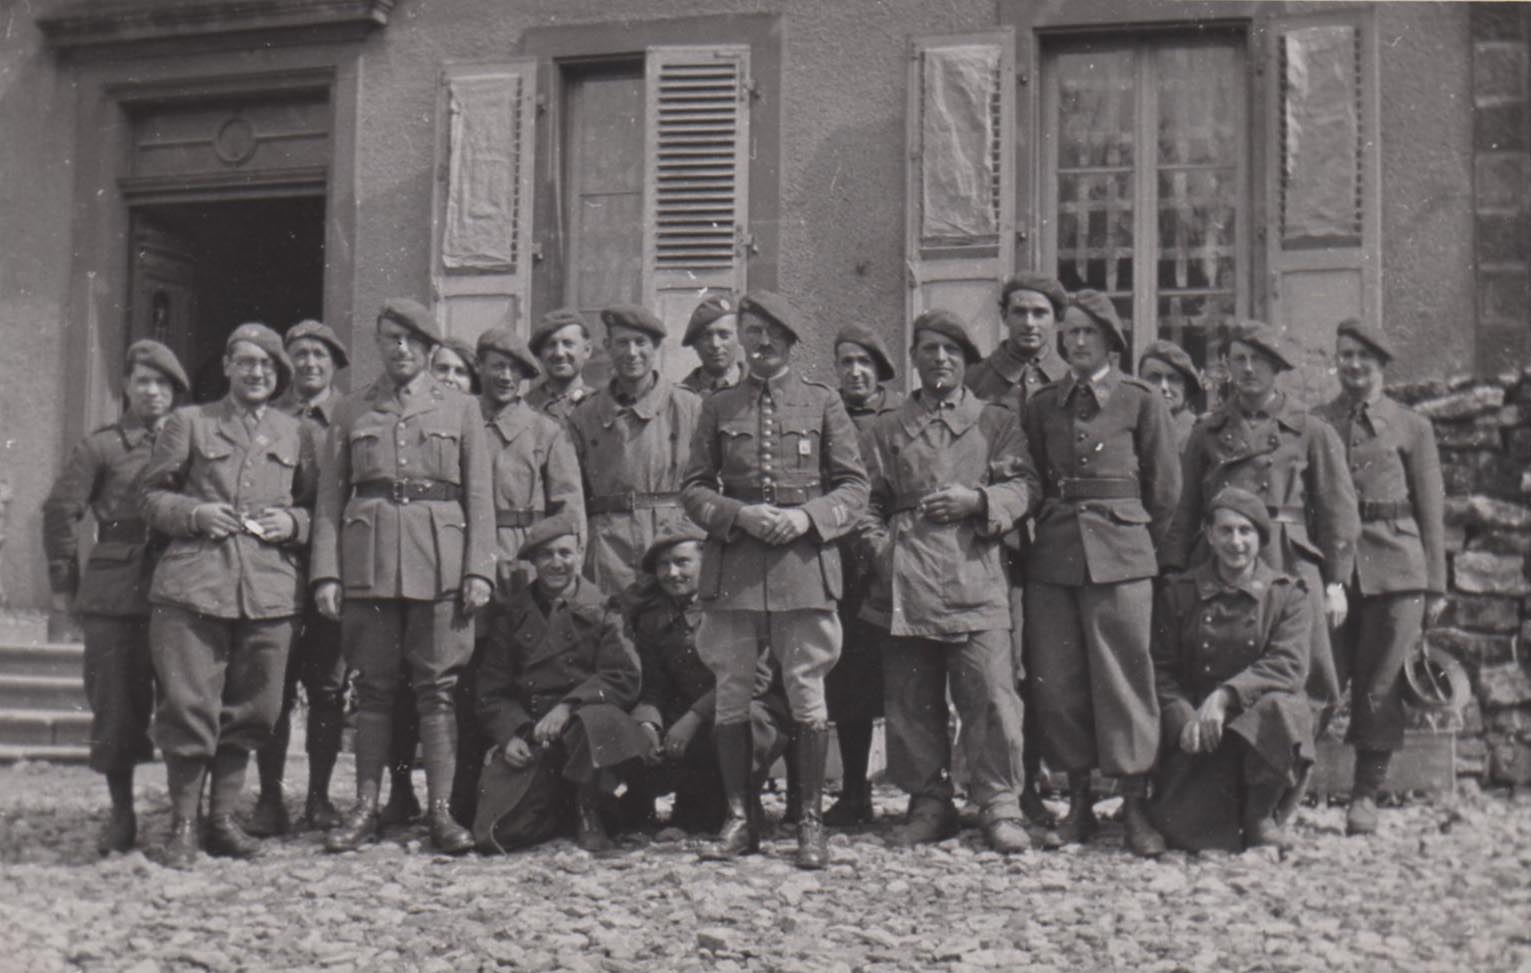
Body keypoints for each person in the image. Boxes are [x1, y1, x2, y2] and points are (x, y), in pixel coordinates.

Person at [681, 289, 869, 870]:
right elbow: (692, 487)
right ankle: (742, 818)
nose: (760, 343)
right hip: (734, 570)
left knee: (808, 693)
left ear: (790, 341)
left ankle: (809, 820)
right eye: (751, 332)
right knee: (733, 692)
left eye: (772, 334)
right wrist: (737, 515)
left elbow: (855, 488)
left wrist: (805, 518)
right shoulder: (717, 407)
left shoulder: (822, 404)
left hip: (802, 569)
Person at [311, 298, 495, 856]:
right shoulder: (350, 410)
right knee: (372, 690)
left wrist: (478, 570)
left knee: (437, 691)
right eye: (391, 338)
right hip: (368, 564)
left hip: (440, 562)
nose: (401, 349)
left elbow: (480, 496)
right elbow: (328, 500)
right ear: (378, 343)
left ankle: (439, 813)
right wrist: (326, 573)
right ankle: (366, 808)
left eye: (412, 340)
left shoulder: (461, 408)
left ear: (431, 348)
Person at [860, 311, 1040, 853]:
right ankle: (928, 802)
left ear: (966, 363)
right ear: (914, 358)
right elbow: (864, 502)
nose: (941, 359)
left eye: (953, 352)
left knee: (989, 694)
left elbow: (1026, 486)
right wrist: (884, 551)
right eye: (931, 349)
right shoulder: (886, 429)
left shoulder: (996, 422)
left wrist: (980, 500)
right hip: (906, 581)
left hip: (975, 572)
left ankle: (999, 804)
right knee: (911, 698)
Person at [140, 323, 317, 868]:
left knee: (257, 711)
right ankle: (185, 823)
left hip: (268, 592)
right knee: (191, 707)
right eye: (245, 362)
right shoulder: (189, 423)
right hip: (194, 584)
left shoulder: (297, 433)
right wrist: (193, 513)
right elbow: (148, 495)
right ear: (226, 367)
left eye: (266, 365)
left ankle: (223, 818)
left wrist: (293, 522)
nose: (256, 372)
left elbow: (317, 509)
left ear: (278, 373)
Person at [1021, 290, 1180, 858]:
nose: (1076, 342)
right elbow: (1035, 476)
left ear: (1111, 340)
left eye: (1088, 332)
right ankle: (1079, 802)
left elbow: (1165, 492)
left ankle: (1135, 804)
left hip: (1123, 556)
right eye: (1069, 333)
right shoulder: (1043, 405)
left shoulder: (1140, 401)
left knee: (1124, 679)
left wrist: (1134, 546)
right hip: (1057, 559)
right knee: (1059, 684)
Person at [1166, 321, 1359, 745]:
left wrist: (1336, 582)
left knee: (1311, 667)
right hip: (1221, 557)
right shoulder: (1207, 431)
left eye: (1259, 361)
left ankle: (1290, 769)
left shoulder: (1312, 430)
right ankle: (1229, 768)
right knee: (1218, 661)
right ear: (1226, 366)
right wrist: (1175, 571)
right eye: (1239, 359)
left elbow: (1337, 509)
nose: (1249, 369)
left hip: (1289, 556)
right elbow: (1186, 511)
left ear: (1276, 368)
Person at [42, 339, 189, 855]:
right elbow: (61, 511)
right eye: (143, 381)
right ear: (126, 386)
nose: (152, 392)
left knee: (184, 702)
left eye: (163, 383)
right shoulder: (102, 446)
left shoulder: (187, 439)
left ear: (177, 393)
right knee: (115, 706)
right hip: (115, 594)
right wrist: (66, 589)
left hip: (180, 585)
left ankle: (182, 817)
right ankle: (122, 814)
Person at [1313, 318, 1446, 836]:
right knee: (1321, 675)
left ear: (1382, 365)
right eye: (1345, 355)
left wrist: (1435, 585)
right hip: (1336, 570)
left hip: (1398, 568)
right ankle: (1285, 785)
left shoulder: (1412, 426)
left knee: (1381, 685)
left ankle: (1364, 795)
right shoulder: (1318, 421)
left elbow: (1431, 510)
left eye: (1364, 357)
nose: (1353, 365)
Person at [449, 326, 585, 826]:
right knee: (467, 682)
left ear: (527, 377)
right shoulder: (458, 422)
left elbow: (569, 511)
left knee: (527, 679)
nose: (504, 376)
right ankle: (461, 803)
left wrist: (565, 579)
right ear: (479, 368)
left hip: (524, 566)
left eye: (515, 369)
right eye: (494, 365)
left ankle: (535, 800)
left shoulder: (545, 432)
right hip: (464, 563)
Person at [1149, 487, 1314, 852]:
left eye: (1246, 531)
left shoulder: (1287, 594)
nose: (1235, 542)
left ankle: (1261, 815)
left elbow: (1288, 665)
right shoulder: (1179, 593)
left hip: (1259, 733)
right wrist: (1183, 718)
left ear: (1260, 537)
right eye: (1225, 531)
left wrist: (1225, 697)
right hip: (1200, 729)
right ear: (1209, 534)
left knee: (1283, 708)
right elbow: (1160, 668)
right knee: (1186, 832)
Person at [473, 514, 649, 854]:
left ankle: (589, 810)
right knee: (500, 834)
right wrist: (509, 733)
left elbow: (623, 675)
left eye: (566, 554)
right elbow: (492, 688)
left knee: (598, 721)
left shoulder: (604, 607)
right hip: (535, 731)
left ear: (580, 554)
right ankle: (558, 805)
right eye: (546, 555)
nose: (557, 564)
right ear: (533, 562)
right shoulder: (512, 614)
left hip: (587, 727)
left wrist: (568, 705)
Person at [964, 272, 1071, 828]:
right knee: (995, 669)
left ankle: (1035, 781)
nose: (1030, 324)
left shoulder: (1070, 381)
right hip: (993, 539)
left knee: (1043, 665)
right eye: (1020, 312)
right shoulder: (977, 380)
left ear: (1056, 322)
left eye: (1041, 314)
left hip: (1055, 541)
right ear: (1004, 316)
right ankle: (999, 788)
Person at [246, 320, 350, 837]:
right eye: (301, 355)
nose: (310, 363)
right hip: (275, 569)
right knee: (275, 686)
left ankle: (320, 797)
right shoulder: (266, 417)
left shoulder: (353, 417)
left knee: (328, 687)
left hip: (335, 568)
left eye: (320, 355)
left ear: (335, 364)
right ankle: (269, 797)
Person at [625, 527, 790, 833]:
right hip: (690, 721)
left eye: (682, 562)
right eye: (663, 565)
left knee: (745, 724)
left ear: (707, 563)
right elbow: (654, 685)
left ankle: (742, 806)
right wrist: (648, 724)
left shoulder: (737, 604)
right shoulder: (653, 618)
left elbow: (755, 677)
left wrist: (695, 715)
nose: (672, 573)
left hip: (750, 710)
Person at [822, 324, 902, 827]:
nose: (854, 372)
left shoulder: (898, 419)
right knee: (846, 675)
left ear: (879, 371)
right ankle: (854, 791)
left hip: (890, 558)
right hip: (836, 559)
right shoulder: (825, 415)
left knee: (900, 674)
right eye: (846, 362)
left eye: (864, 364)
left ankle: (921, 788)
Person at [567, 305, 702, 596]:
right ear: (607, 347)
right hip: (608, 546)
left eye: (640, 343)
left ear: (655, 347)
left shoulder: (688, 406)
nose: (631, 353)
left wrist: (689, 537)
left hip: (670, 540)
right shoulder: (585, 415)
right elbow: (573, 493)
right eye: (622, 343)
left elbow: (707, 482)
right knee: (613, 632)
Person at [1137, 339, 1205, 454]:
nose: (1164, 387)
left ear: (1186, 387)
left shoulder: (1200, 434)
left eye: (1173, 378)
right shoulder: (1132, 432)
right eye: (1154, 378)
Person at [525, 308, 593, 421]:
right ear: (540, 354)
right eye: (550, 345)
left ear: (587, 350)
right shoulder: (525, 408)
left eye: (568, 343)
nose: (559, 353)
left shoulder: (603, 406)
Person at [679, 295, 746, 395]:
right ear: (695, 344)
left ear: (740, 337)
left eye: (724, 335)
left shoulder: (760, 387)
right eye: (706, 336)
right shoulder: (681, 396)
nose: (715, 344)